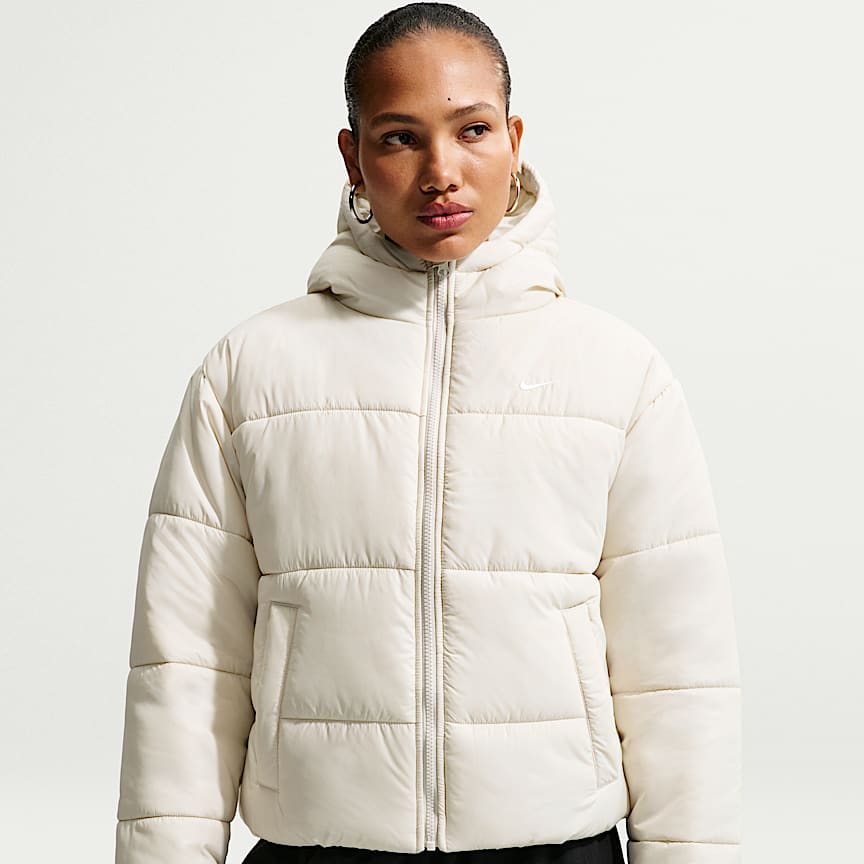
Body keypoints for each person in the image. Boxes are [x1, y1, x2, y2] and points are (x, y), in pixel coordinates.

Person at [114, 4, 742, 864]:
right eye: (400, 138)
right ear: (354, 157)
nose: (441, 172)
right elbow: (186, 665)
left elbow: (678, 672)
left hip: (555, 847)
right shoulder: (250, 372)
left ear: (514, 140)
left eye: (472, 130)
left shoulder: (616, 372)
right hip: (320, 850)